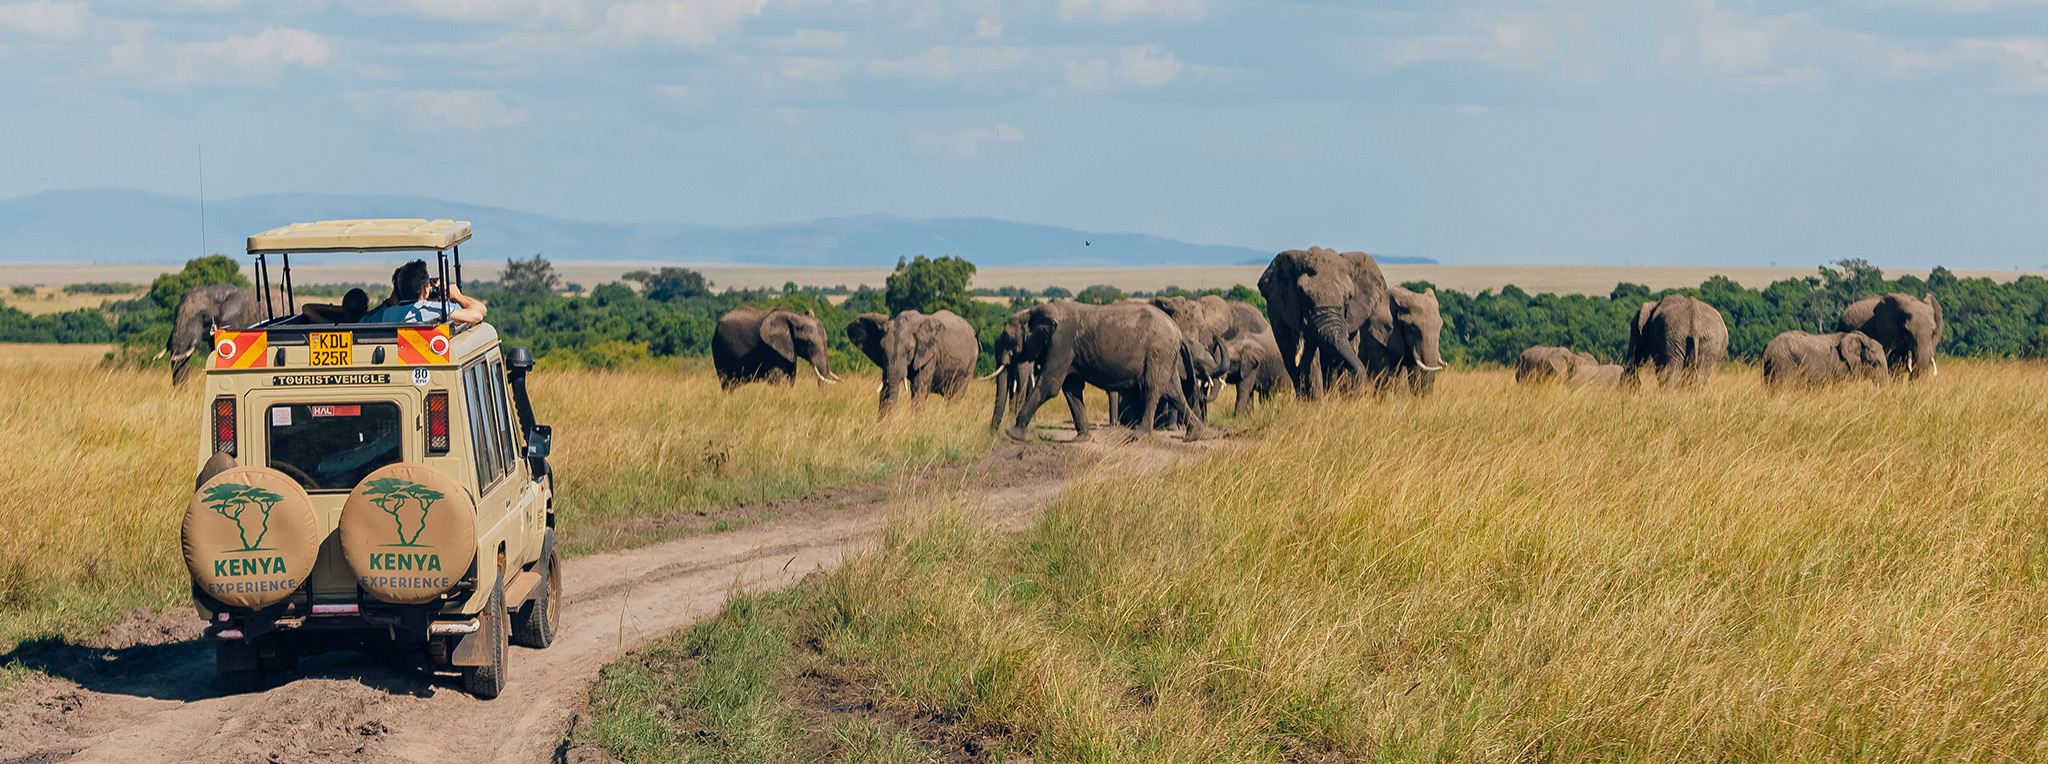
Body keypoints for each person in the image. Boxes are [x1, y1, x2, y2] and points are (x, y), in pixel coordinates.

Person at [360, 260, 487, 324]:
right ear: (426, 289)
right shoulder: (428, 310)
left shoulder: (388, 314)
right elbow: (478, 314)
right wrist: (457, 296)